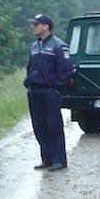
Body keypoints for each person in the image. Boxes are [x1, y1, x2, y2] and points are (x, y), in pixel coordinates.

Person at [24, 13, 73, 171]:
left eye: (36, 24)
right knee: (39, 126)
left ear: (46, 26)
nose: (33, 27)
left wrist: (56, 87)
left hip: (50, 91)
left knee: (54, 126)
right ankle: (47, 158)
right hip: (35, 91)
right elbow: (30, 66)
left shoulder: (58, 45)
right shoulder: (34, 46)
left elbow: (66, 70)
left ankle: (59, 160)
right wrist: (28, 82)